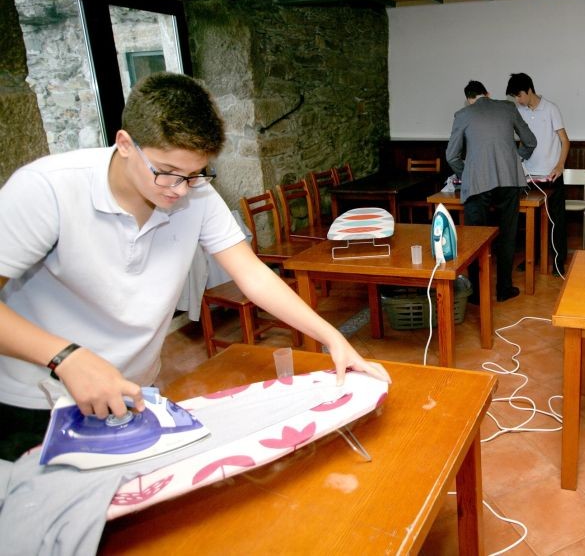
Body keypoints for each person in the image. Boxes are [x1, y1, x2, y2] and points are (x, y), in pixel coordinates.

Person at [0, 72, 390, 462]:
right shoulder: (47, 189)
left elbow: (252, 274)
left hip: (130, 392)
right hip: (34, 401)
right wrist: (65, 356)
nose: (180, 189)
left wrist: (332, 337)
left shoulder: (196, 195)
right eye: (166, 172)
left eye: (194, 174)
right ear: (124, 144)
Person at [446, 80, 536, 302]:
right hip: (509, 180)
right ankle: (504, 289)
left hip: (477, 184)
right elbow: (531, 141)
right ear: (488, 93)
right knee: (507, 235)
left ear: (469, 99)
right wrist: (516, 159)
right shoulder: (507, 108)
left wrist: (467, 173)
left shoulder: (463, 115)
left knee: (476, 238)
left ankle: (476, 294)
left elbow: (452, 156)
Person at [506, 73, 570, 276]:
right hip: (528, 174)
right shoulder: (519, 111)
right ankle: (532, 259)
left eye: (519, 95)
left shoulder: (551, 109)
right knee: (530, 221)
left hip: (551, 174)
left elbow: (565, 141)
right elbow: (521, 142)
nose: (518, 100)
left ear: (529, 90)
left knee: (556, 220)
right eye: (515, 97)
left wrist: (560, 165)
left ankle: (559, 263)